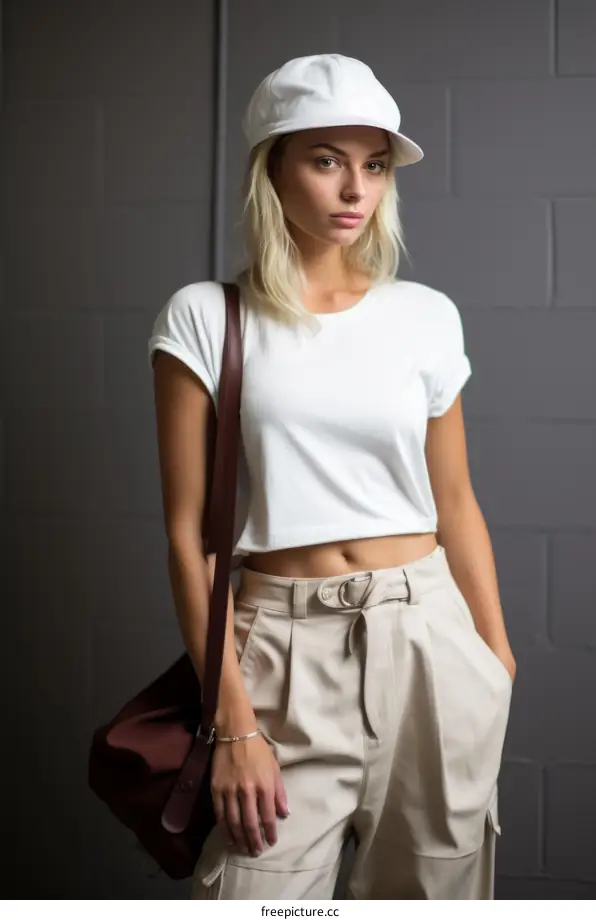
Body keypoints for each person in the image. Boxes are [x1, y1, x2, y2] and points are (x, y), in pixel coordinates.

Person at [147, 53, 515, 901]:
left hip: (431, 644)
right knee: (259, 894)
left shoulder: (425, 317)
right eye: (326, 160)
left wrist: (494, 662)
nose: (355, 188)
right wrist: (231, 720)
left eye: (374, 165)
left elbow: (455, 503)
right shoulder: (206, 317)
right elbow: (188, 533)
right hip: (280, 654)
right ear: (272, 166)